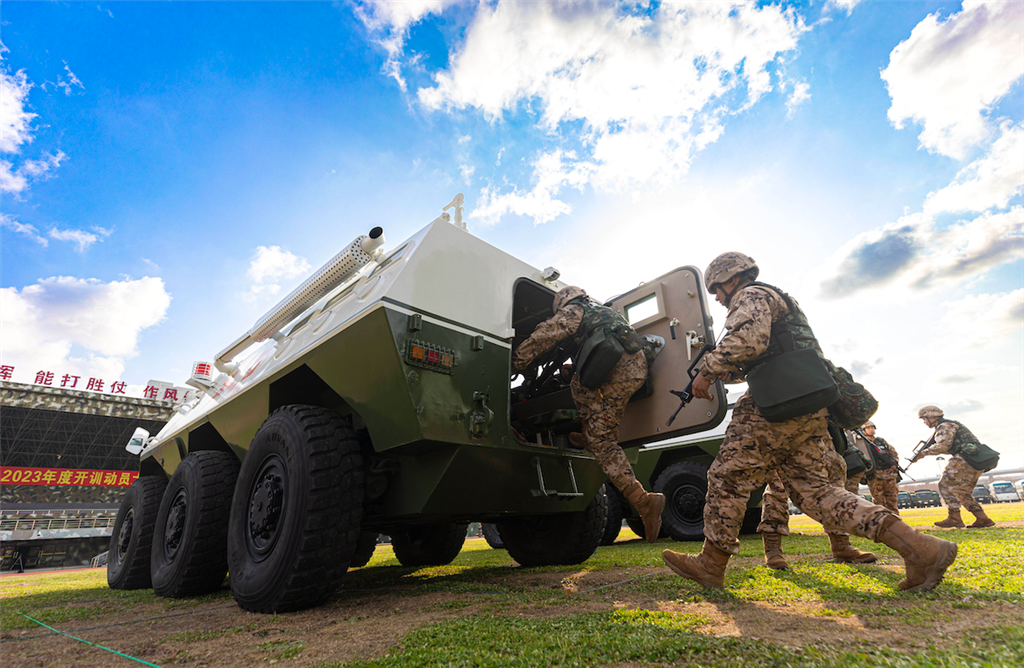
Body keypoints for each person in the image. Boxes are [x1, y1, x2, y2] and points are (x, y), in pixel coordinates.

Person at [661, 252, 957, 592]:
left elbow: (747, 341)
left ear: (731, 279)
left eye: (717, 289)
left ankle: (711, 566)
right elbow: (769, 352)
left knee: (728, 476)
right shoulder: (780, 299)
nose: (716, 297)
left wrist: (707, 370)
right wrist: (731, 371)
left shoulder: (751, 294)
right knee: (816, 493)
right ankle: (922, 548)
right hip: (806, 405)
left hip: (775, 405)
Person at [512, 286, 666, 542]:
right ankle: (587, 434)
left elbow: (544, 337)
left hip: (616, 372)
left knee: (602, 442)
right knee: (579, 387)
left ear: (564, 303)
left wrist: (514, 361)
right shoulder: (603, 312)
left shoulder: (574, 311)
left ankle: (643, 501)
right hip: (635, 369)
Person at [759, 422, 876, 570]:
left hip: (824, 438)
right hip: (786, 433)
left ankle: (841, 546)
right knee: (777, 488)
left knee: (835, 492)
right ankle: (773, 550)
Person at [914, 406, 999, 528]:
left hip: (965, 458)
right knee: (963, 492)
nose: (924, 422)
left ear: (932, 417)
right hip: (975, 460)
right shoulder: (952, 424)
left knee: (945, 484)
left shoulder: (944, 426)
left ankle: (954, 517)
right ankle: (982, 518)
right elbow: (952, 447)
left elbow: (943, 446)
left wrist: (924, 453)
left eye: (924, 419)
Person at [853, 420, 901, 514]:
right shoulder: (861, 444)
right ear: (863, 430)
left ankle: (896, 521)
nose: (871, 430)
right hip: (875, 476)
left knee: (892, 500)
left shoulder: (881, 441)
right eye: (868, 428)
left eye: (872, 428)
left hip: (889, 474)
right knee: (879, 502)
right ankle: (883, 522)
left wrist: (894, 464)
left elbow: (893, 453)